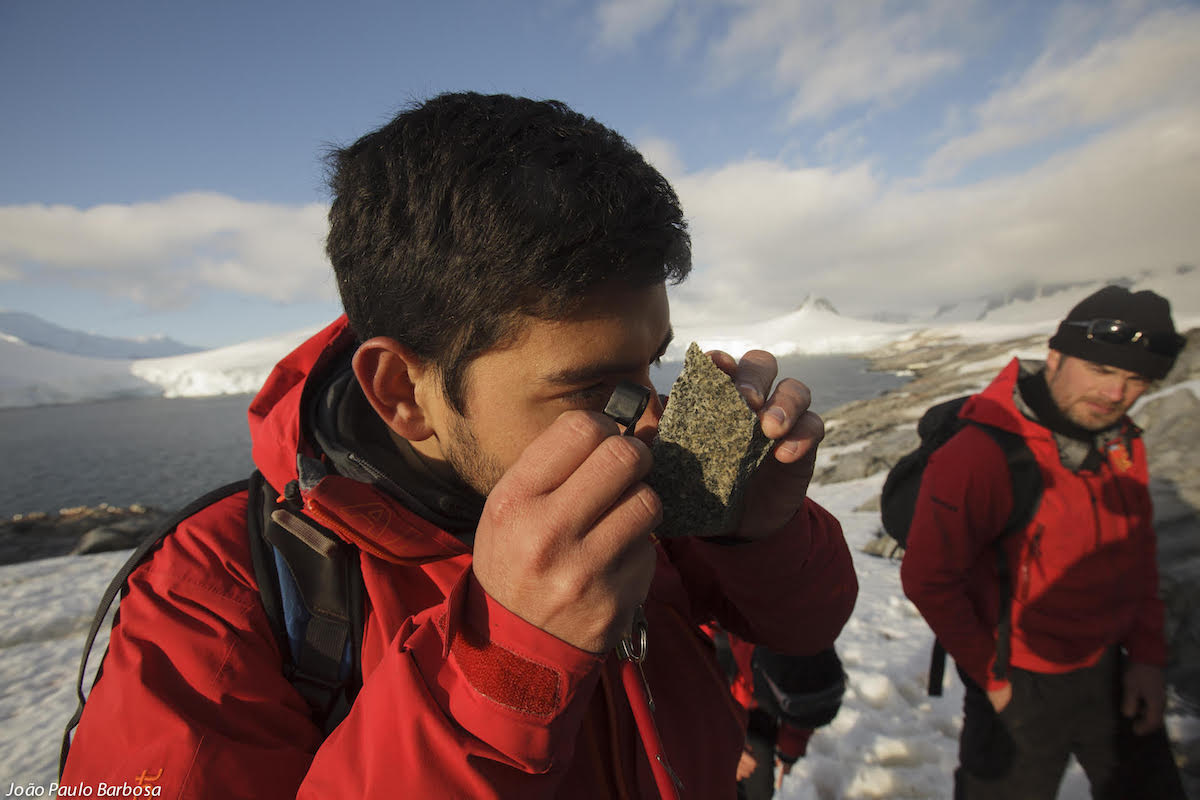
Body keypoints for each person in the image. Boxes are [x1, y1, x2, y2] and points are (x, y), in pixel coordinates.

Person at [60, 92, 857, 799]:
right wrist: (503, 672)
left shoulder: (633, 484)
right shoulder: (210, 604)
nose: (651, 418)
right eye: (597, 390)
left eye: (656, 362)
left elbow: (803, 624)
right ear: (405, 394)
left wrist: (757, 531)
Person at [900, 286, 1188, 799]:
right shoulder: (981, 452)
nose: (1116, 394)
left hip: (1110, 667)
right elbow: (929, 578)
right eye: (1101, 371)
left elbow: (1138, 550)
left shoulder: (1122, 441)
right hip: (1018, 677)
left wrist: (1147, 657)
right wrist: (993, 681)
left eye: (1135, 380)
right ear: (1055, 355)